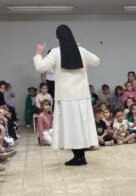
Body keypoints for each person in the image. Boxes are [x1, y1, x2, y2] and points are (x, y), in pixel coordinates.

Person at [33, 24, 101, 166]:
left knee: (71, 128)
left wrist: (39, 53)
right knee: (82, 127)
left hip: (65, 98)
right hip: (82, 96)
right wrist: (82, 48)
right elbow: (96, 61)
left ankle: (77, 157)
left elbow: (40, 67)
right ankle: (81, 156)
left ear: (58, 38)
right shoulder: (81, 51)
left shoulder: (55, 52)